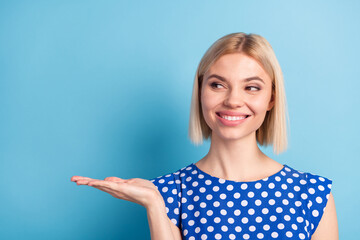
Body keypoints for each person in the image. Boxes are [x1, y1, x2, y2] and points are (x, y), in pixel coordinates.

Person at [71, 32, 339, 240]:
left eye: (252, 87)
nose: (233, 100)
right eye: (218, 85)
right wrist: (154, 204)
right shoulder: (167, 193)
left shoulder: (313, 194)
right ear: (200, 92)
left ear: (271, 99)